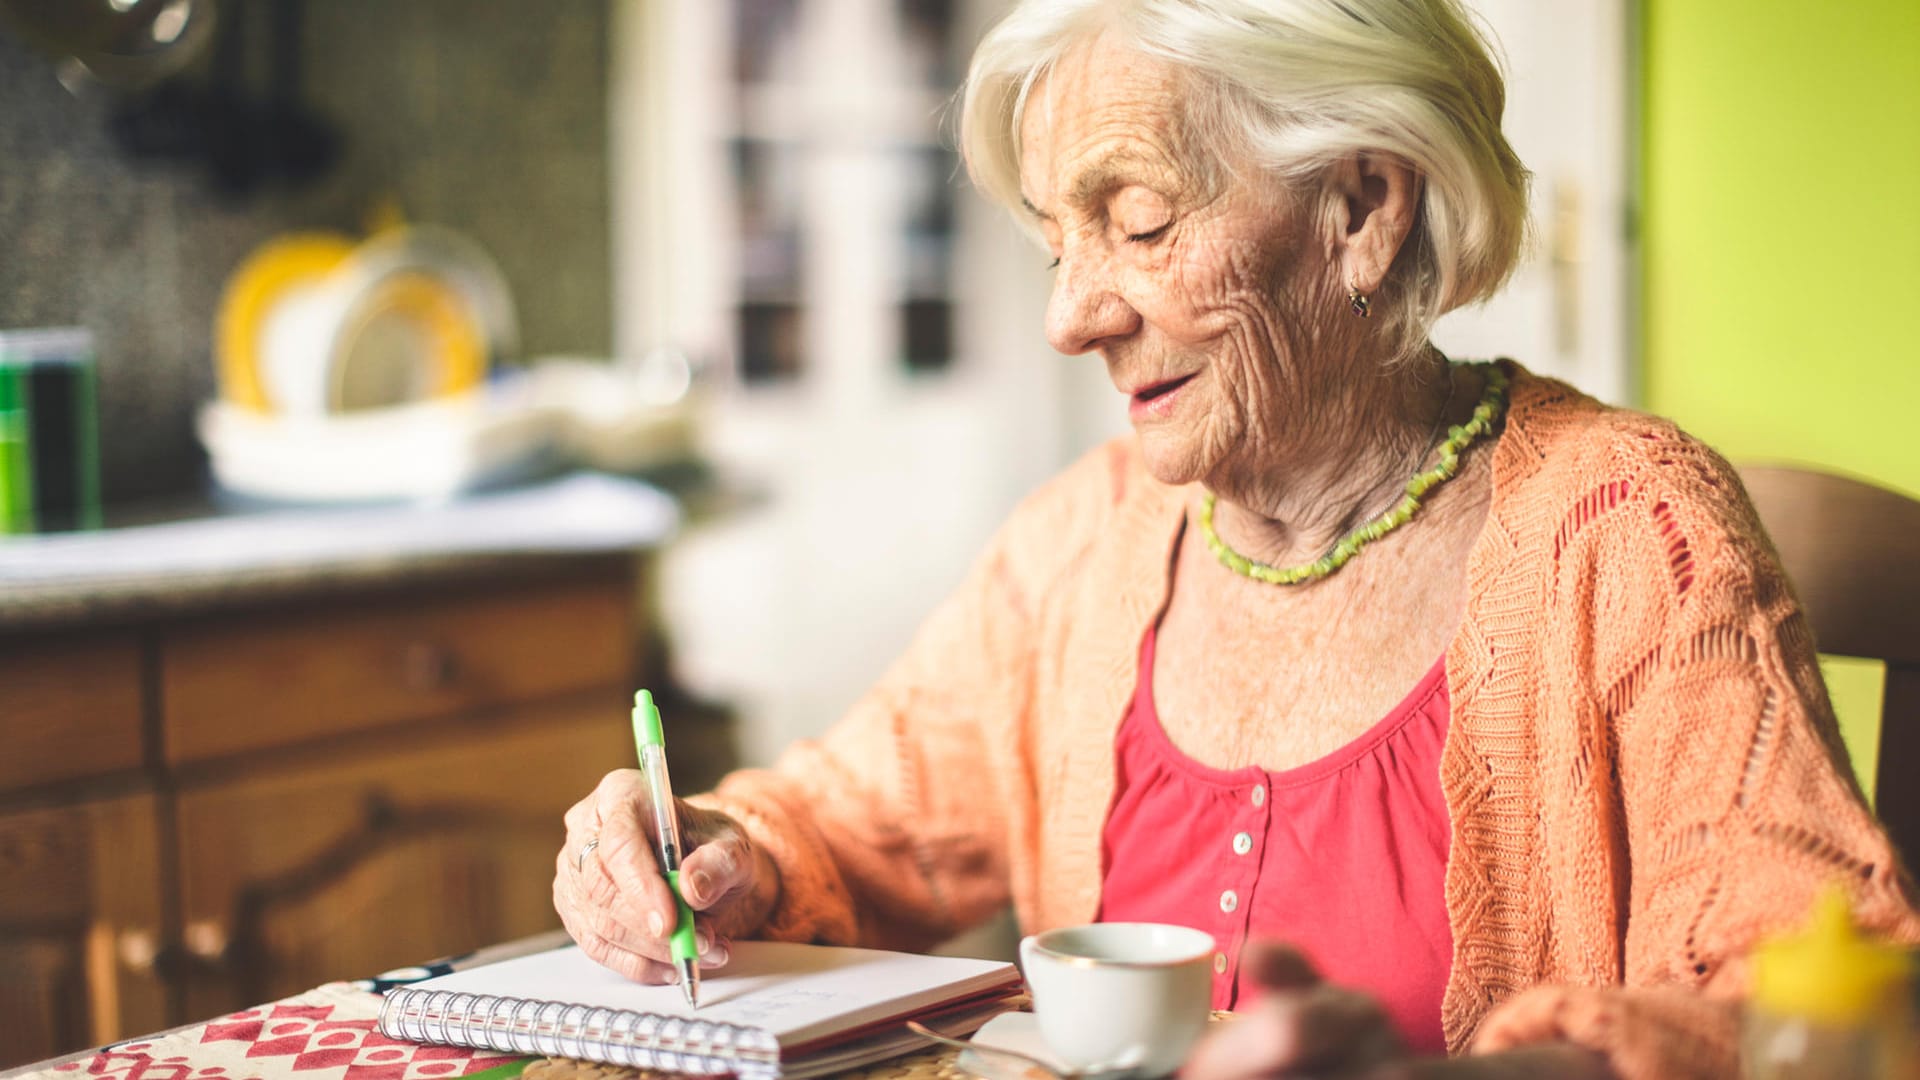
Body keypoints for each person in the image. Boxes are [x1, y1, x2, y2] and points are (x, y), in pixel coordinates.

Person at [553, 2, 1920, 1077]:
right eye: (1055, 247)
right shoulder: (1082, 548)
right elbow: (842, 828)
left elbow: (1820, 1010)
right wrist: (706, 851)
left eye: (1139, 224)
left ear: (1363, 211)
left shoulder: (1630, 537)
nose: (1072, 316)